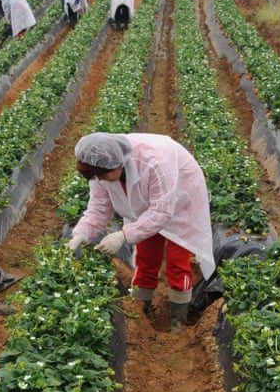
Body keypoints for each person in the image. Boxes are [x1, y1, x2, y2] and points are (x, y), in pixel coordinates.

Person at [67, 132, 215, 332]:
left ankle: (178, 321)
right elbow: (99, 207)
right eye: (97, 177)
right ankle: (139, 316)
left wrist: (124, 235)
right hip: (147, 207)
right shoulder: (100, 171)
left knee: (177, 263)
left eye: (103, 175)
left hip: (180, 201)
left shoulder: (154, 163)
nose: (101, 180)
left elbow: (161, 212)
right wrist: (80, 235)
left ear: (117, 164)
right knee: (145, 260)